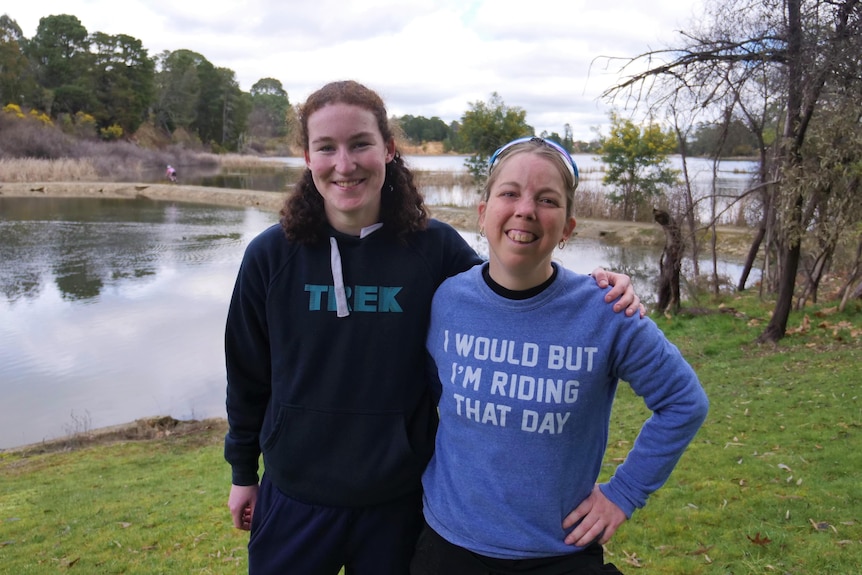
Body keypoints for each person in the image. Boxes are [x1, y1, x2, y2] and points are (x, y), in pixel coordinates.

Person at [223, 82, 642, 575]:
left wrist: (594, 288)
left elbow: (511, 287)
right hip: (294, 495)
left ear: (389, 149)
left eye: (360, 144)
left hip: (398, 502)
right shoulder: (270, 257)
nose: (345, 163)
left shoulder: (436, 250)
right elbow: (247, 373)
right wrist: (243, 472)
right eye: (326, 148)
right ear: (307, 157)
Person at [412, 137, 710, 574]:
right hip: (449, 547)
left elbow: (684, 403)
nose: (526, 209)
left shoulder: (606, 311)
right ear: (483, 213)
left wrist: (623, 494)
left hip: (559, 551)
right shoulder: (447, 301)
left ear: (568, 228)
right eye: (509, 193)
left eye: (547, 199)